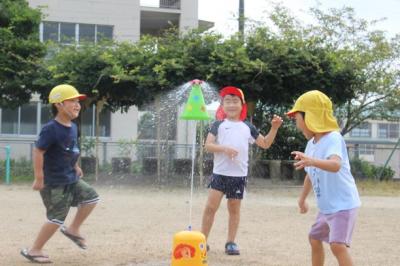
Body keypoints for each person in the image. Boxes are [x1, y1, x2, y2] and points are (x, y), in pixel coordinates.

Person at [21, 84, 99, 264]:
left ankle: (73, 229)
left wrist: (75, 165)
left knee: (91, 198)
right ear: (59, 105)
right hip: (55, 182)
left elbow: (70, 150)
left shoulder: (72, 126)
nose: (77, 104)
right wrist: (39, 178)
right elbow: (38, 151)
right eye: (72, 101)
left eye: (78, 101)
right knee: (56, 218)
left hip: (70, 176)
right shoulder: (51, 128)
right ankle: (34, 250)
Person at [201, 86, 283, 255]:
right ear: (222, 106)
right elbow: (208, 145)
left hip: (238, 176)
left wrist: (274, 127)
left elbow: (265, 143)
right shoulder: (217, 125)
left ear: (242, 105)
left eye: (235, 101)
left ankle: (230, 242)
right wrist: (224, 148)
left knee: (234, 209)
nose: (231, 105)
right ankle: (202, 240)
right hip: (219, 174)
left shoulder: (248, 127)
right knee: (210, 207)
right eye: (227, 102)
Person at [287, 90, 361, 266]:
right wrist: (302, 198)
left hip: (343, 205)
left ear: (310, 117)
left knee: (337, 245)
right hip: (327, 207)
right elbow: (310, 175)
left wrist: (311, 161)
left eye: (298, 119)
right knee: (314, 238)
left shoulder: (333, 138)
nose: (298, 125)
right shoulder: (310, 144)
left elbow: (335, 165)